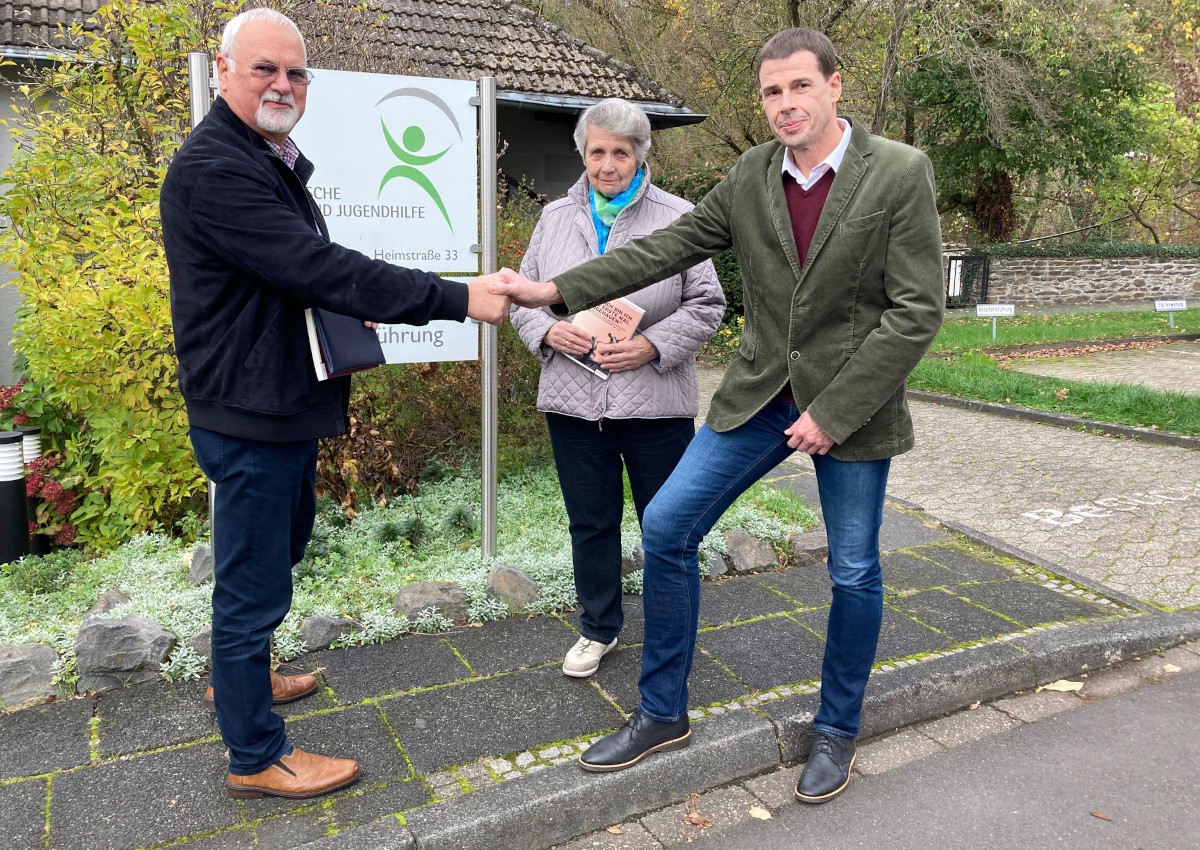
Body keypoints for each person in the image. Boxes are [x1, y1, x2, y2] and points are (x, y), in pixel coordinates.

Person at [492, 27, 944, 804]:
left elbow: (914, 311)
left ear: (835, 87)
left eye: (800, 86)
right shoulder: (753, 173)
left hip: (853, 406)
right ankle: (664, 712)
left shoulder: (899, 172)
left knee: (854, 567)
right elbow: (665, 248)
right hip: (762, 395)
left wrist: (833, 413)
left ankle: (837, 728)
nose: (786, 104)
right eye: (772, 92)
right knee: (667, 527)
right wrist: (551, 291)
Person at [160, 8, 508, 800]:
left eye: (295, 72)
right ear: (223, 71)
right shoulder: (217, 166)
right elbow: (315, 267)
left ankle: (240, 680)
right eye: (264, 69)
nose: (283, 84)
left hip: (278, 401)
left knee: (275, 555)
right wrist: (458, 298)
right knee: (252, 585)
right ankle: (255, 755)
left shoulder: (267, 157)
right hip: (251, 410)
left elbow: (298, 276)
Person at [510, 99, 724, 679]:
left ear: (640, 155)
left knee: (668, 523)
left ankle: (670, 629)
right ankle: (598, 628)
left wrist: (651, 345)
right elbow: (524, 297)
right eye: (598, 151)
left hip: (655, 402)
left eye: (621, 153)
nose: (608, 164)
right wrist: (550, 329)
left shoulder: (681, 216)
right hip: (573, 400)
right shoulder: (554, 217)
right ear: (584, 153)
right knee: (591, 521)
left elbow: (708, 304)